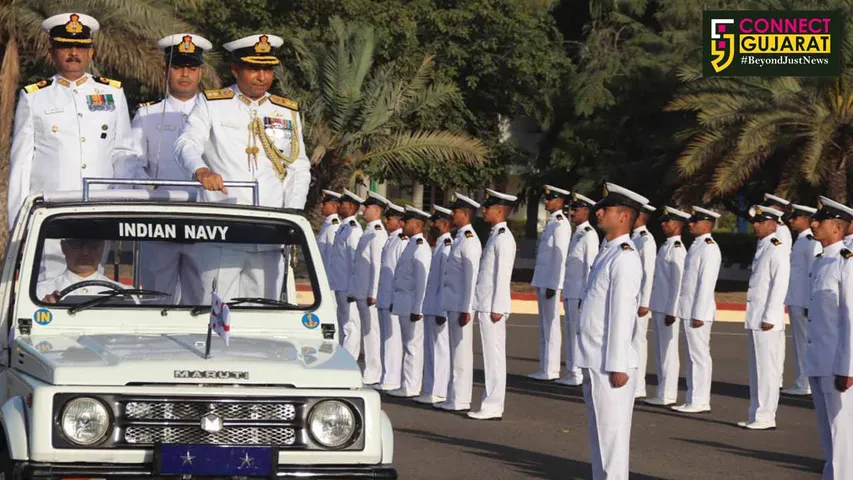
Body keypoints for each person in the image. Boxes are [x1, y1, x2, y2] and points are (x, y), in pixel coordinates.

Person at [9, 13, 132, 280]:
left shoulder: (113, 94)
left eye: (81, 47)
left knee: (96, 287)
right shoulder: (34, 97)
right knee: (47, 287)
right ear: (53, 53)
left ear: (91, 53)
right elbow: (21, 164)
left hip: (99, 208)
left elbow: (123, 152)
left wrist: (126, 202)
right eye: (66, 46)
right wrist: (18, 224)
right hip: (51, 212)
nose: (73, 53)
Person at [118, 33, 213, 305]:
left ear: (200, 72)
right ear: (166, 71)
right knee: (154, 300)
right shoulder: (147, 114)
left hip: (204, 219)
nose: (185, 74)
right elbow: (131, 159)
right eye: (178, 67)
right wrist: (147, 190)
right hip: (160, 217)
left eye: (192, 68)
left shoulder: (216, 112)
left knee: (202, 300)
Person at [175, 33, 310, 209]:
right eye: (254, 69)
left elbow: (297, 168)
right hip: (222, 211)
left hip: (271, 213)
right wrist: (201, 170)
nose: (262, 77)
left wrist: (293, 212)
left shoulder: (285, 111)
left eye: (268, 70)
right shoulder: (212, 104)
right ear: (235, 70)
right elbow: (186, 142)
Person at [576, 182, 645, 480]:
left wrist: (617, 364)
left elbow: (621, 315)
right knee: (599, 435)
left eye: (606, 209)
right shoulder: (609, 252)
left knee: (612, 437)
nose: (599, 213)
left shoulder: (626, 257)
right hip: (595, 357)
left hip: (610, 362)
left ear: (625, 217)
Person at [806, 196, 853, 478]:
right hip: (818, 359)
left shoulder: (846, 263)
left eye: (819, 221)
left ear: (837, 228)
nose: (813, 224)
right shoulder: (821, 261)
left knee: (842, 432)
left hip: (837, 363)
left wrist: (848, 367)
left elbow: (851, 317)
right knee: (827, 433)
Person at [739, 205, 790, 430]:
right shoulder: (764, 246)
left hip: (766, 320)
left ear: (773, 224)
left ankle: (766, 416)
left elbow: (780, 284)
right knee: (756, 369)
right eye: (755, 222)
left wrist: (770, 315)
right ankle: (756, 413)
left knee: (766, 369)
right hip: (757, 317)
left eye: (760, 222)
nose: (756, 226)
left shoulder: (777, 248)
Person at [470, 189, 517, 420]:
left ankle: (493, 405)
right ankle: (491, 403)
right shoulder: (496, 236)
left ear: (498, 210)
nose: (483, 211)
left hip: (493, 307)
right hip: (487, 303)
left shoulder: (504, 238)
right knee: (491, 357)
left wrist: (498, 307)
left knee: (494, 357)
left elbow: (502, 275)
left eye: (487, 208)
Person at [435, 193, 482, 412]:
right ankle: (454, 396)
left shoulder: (470, 239)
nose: (452, 214)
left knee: (461, 354)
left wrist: (466, 308)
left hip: (460, 305)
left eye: (455, 211)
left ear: (466, 214)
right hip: (452, 303)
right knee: (455, 353)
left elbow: (470, 278)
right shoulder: (461, 238)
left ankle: (461, 399)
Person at [672, 206, 722, 414]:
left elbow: (706, 283)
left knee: (699, 356)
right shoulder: (698, 245)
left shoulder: (709, 247)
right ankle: (693, 397)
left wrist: (699, 314)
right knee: (692, 356)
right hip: (689, 309)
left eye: (695, 221)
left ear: (707, 224)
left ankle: (701, 400)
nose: (690, 224)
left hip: (697, 312)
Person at [645, 206, 689, 406]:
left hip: (668, 308)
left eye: (667, 221)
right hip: (660, 304)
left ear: (678, 224)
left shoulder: (678, 249)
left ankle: (668, 394)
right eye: (663, 221)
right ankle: (662, 391)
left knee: (668, 352)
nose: (663, 224)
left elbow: (678, 283)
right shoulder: (667, 246)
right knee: (661, 351)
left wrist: (673, 310)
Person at [389, 206, 433, 398]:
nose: (402, 224)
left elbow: (422, 281)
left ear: (417, 225)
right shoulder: (411, 244)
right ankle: (407, 383)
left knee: (413, 347)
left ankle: (411, 386)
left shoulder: (421, 246)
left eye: (406, 222)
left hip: (412, 304)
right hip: (403, 302)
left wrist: (418, 308)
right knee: (409, 345)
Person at [528, 185, 571, 381]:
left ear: (560, 202)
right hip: (543, 280)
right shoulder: (553, 222)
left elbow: (559, 256)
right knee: (545, 326)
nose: (547, 202)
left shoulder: (561, 224)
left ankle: (552, 369)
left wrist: (554, 284)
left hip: (550, 283)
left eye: (551, 199)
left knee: (551, 326)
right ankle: (545, 367)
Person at [348, 192, 389, 384]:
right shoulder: (369, 231)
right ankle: (371, 369)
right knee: (367, 332)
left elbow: (377, 265)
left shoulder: (378, 233)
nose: (363, 210)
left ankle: (374, 371)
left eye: (367, 208)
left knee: (372, 333)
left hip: (369, 293)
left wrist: (373, 293)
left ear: (377, 210)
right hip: (361, 291)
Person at [558, 192, 599, 386]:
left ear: (586, 211)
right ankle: (571, 371)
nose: (571, 212)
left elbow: (590, 267)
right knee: (570, 332)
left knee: (576, 334)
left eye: (575, 209)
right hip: (571, 291)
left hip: (579, 293)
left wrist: (585, 295)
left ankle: (577, 373)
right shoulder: (579, 234)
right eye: (570, 209)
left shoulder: (590, 235)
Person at [415, 205, 454, 405]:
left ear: (445, 224)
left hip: (439, 307)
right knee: (431, 350)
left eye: (436, 222)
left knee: (440, 350)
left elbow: (445, 281)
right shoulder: (439, 244)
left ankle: (438, 391)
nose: (432, 225)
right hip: (431, 305)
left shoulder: (447, 245)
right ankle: (430, 388)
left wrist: (441, 310)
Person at [782, 203, 821, 396]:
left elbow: (812, 273)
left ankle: (804, 383)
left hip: (802, 301)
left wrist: (808, 303)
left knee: (804, 343)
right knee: (799, 344)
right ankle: (801, 380)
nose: (791, 220)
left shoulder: (810, 241)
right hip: (796, 299)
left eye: (795, 217)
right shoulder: (801, 240)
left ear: (806, 219)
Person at [327, 190, 364, 358]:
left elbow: (355, 260)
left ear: (351, 206)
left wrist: (353, 288)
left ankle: (349, 360)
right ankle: (342, 357)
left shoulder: (353, 229)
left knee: (351, 325)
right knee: (343, 323)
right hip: (340, 283)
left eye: (343, 204)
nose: (340, 206)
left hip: (348, 285)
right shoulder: (343, 227)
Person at [377, 203, 409, 391]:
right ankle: (387, 375)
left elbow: (400, 274)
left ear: (398, 221)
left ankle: (392, 378)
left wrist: (393, 299)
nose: (386, 222)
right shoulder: (392, 239)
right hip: (385, 296)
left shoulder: (402, 240)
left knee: (393, 340)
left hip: (392, 298)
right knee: (386, 340)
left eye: (389, 219)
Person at [38, 239, 124, 302]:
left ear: (102, 247)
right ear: (63, 246)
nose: (85, 252)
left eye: (93, 244)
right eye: (76, 244)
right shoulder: (39, 293)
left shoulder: (125, 294)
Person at [631, 203, 657, 399]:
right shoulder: (635, 238)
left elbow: (648, 274)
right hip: (632, 300)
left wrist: (644, 302)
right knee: (631, 342)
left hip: (639, 302)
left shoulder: (645, 240)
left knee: (638, 342)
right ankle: (633, 382)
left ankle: (639, 385)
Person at [317, 190, 342, 273]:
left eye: (324, 203)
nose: (321, 206)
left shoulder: (333, 225)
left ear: (334, 205)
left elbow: (332, 254)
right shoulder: (328, 224)